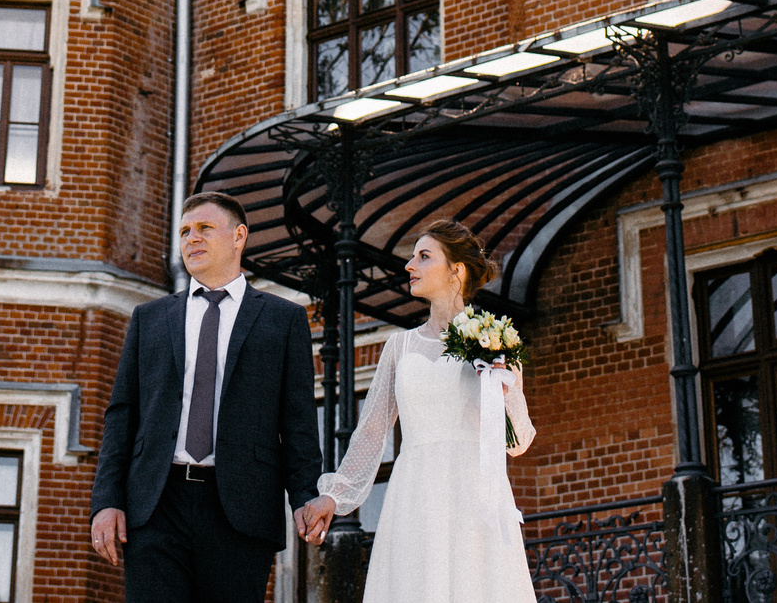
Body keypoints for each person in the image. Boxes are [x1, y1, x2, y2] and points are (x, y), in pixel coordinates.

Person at [89, 192, 324, 603]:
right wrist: (106, 501)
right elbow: (121, 415)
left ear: (238, 236)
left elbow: (298, 420)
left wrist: (305, 496)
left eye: (204, 228)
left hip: (241, 508)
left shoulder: (283, 319)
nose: (191, 239)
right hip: (155, 504)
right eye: (184, 232)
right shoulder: (149, 318)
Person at [293, 219, 537, 603]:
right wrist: (334, 496)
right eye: (413, 257)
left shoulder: (497, 342)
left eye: (424, 256)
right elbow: (371, 433)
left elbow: (518, 441)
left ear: (456, 270)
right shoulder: (399, 347)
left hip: (473, 496)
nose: (409, 265)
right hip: (415, 496)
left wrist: (503, 385)